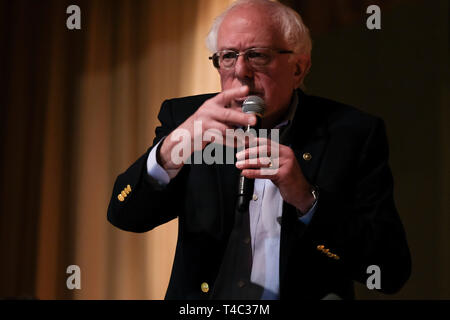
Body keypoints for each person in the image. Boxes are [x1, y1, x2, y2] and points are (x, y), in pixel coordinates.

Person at [107, 0, 411, 300]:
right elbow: (125, 215)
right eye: (227, 56)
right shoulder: (186, 118)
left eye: (257, 56)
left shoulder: (352, 133)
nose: (240, 71)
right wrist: (172, 147)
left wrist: (307, 199)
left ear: (298, 68)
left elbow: (388, 270)